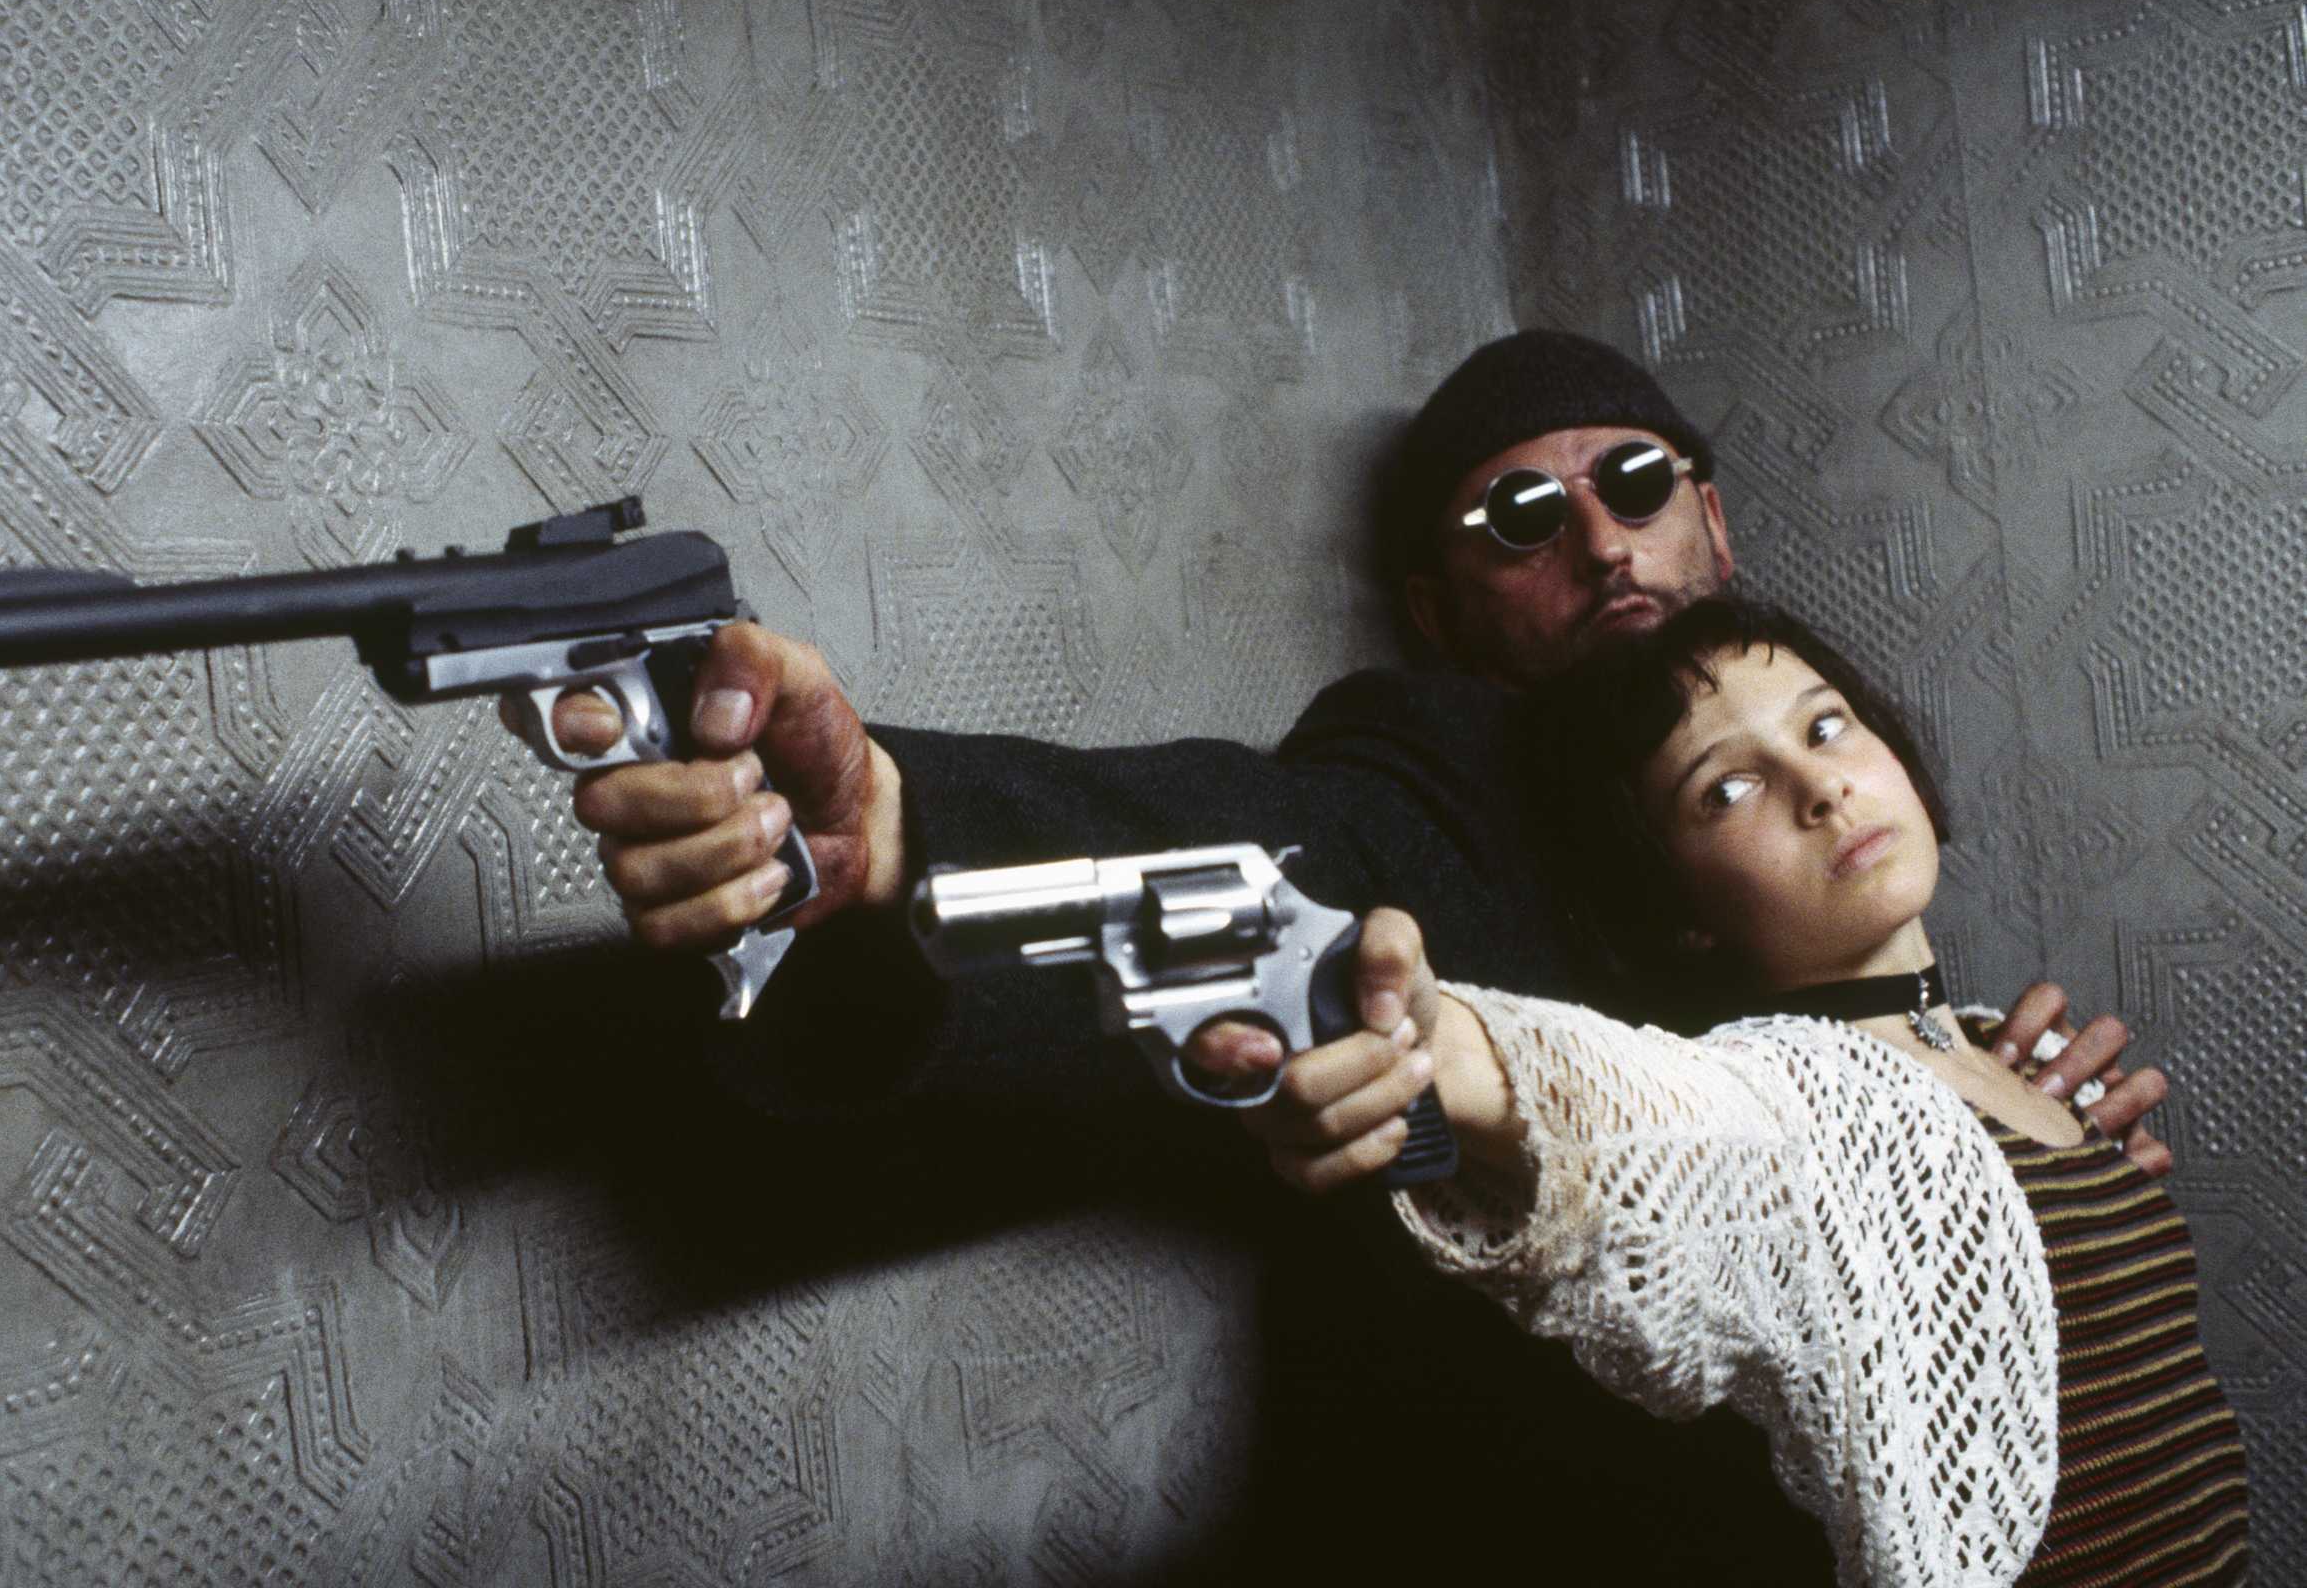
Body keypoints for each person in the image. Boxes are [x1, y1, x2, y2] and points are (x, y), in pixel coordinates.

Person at [538, 330, 2174, 1576]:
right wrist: (887, 830)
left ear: (1712, 516)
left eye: (1635, 480)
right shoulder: (1445, 772)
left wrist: (2021, 1137)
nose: (1603, 544)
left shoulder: (1827, 808)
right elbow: (1242, 845)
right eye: (1518, 517)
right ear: (1438, 607)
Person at [1263, 597, 2249, 1585]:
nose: (1820, 787)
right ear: (1678, 904)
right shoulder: (1778, 1104)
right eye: (1726, 790)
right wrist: (1424, 1035)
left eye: (1825, 726)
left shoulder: (2024, 1051)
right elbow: (1617, 1112)